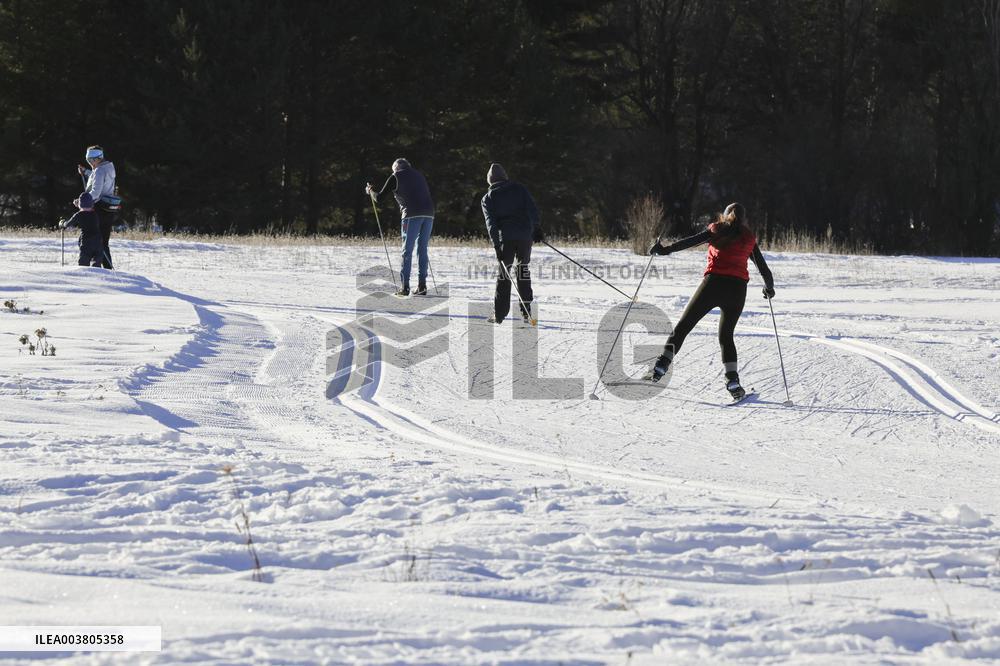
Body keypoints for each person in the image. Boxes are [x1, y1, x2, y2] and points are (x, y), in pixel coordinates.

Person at [647, 202, 775, 400]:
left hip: (712, 285)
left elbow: (689, 242)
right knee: (726, 337)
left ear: (725, 216)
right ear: (744, 219)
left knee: (683, 327)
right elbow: (763, 269)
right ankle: (732, 381)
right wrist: (769, 288)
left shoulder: (716, 229)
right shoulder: (748, 238)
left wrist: (664, 250)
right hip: (737, 290)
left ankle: (660, 367)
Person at [480, 163, 544, 324]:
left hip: (505, 240)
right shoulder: (519, 189)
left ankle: (499, 314)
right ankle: (526, 312)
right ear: (505, 177)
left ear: (490, 181)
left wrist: (496, 245)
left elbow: (491, 224)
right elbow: (532, 208)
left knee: (504, 274)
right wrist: (536, 228)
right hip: (524, 237)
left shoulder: (488, 198)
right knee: (523, 269)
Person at [365, 158, 434, 296]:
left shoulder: (395, 176)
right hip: (429, 214)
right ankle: (422, 286)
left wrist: (370, 191)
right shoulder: (419, 175)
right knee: (422, 249)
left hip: (411, 215)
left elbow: (379, 198)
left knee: (407, 251)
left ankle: (405, 287)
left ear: (396, 168)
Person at [78, 145, 117, 269]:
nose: (90, 163)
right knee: (103, 241)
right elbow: (98, 178)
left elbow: (96, 192)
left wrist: (81, 201)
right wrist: (86, 172)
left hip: (99, 209)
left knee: (86, 240)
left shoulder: (99, 170)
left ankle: (93, 268)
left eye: (91, 160)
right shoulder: (108, 167)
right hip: (109, 209)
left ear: (97, 158)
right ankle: (108, 269)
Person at [59, 193, 104, 268]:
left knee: (84, 262)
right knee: (97, 262)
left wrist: (62, 223)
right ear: (92, 204)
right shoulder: (95, 214)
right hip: (98, 241)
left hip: (86, 241)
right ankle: (96, 275)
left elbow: (68, 224)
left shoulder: (79, 215)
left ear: (80, 204)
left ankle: (84, 276)